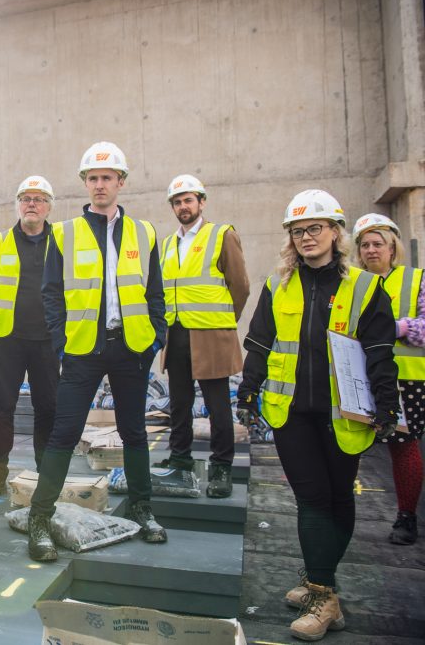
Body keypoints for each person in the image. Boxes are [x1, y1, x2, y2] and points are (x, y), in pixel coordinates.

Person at [236, 190, 399, 641]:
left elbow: (380, 352)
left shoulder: (364, 287)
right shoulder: (278, 285)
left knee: (339, 497)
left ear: (334, 232)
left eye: (315, 228)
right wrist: (248, 392)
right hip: (291, 412)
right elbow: (260, 343)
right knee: (311, 499)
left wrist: (387, 406)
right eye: (298, 231)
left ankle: (319, 585)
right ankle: (323, 594)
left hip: (344, 414)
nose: (306, 237)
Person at [27, 141, 168, 562]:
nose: (100, 185)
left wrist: (155, 335)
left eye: (108, 177)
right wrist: (61, 342)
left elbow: (154, 291)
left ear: (121, 182)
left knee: (134, 432)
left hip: (131, 346)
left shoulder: (144, 233)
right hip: (83, 349)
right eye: (93, 178)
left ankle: (143, 508)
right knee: (65, 433)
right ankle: (40, 516)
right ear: (85, 183)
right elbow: (51, 293)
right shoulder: (64, 232)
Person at [159, 174, 249, 497]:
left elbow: (241, 286)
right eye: (177, 202)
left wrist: (225, 322)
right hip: (177, 335)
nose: (183, 206)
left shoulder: (221, 235)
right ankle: (180, 459)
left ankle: (222, 467)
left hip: (211, 335)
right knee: (180, 405)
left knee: (217, 406)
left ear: (201, 202)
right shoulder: (169, 244)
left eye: (188, 200)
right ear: (173, 207)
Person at [0, 176, 60, 500]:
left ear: (48, 206)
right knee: (1, 408)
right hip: (8, 342)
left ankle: (48, 476)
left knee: (48, 408)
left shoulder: (61, 243)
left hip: (48, 342)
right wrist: (0, 324)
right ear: (18, 205)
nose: (31, 204)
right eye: (25, 198)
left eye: (38, 199)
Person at [352, 213, 422, 545]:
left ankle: (406, 517)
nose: (371, 250)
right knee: (350, 445)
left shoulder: (416, 280)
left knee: (402, 447)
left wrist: (398, 327)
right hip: (358, 378)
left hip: (404, 381)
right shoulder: (351, 283)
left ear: (392, 247)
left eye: (377, 243)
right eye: (364, 245)